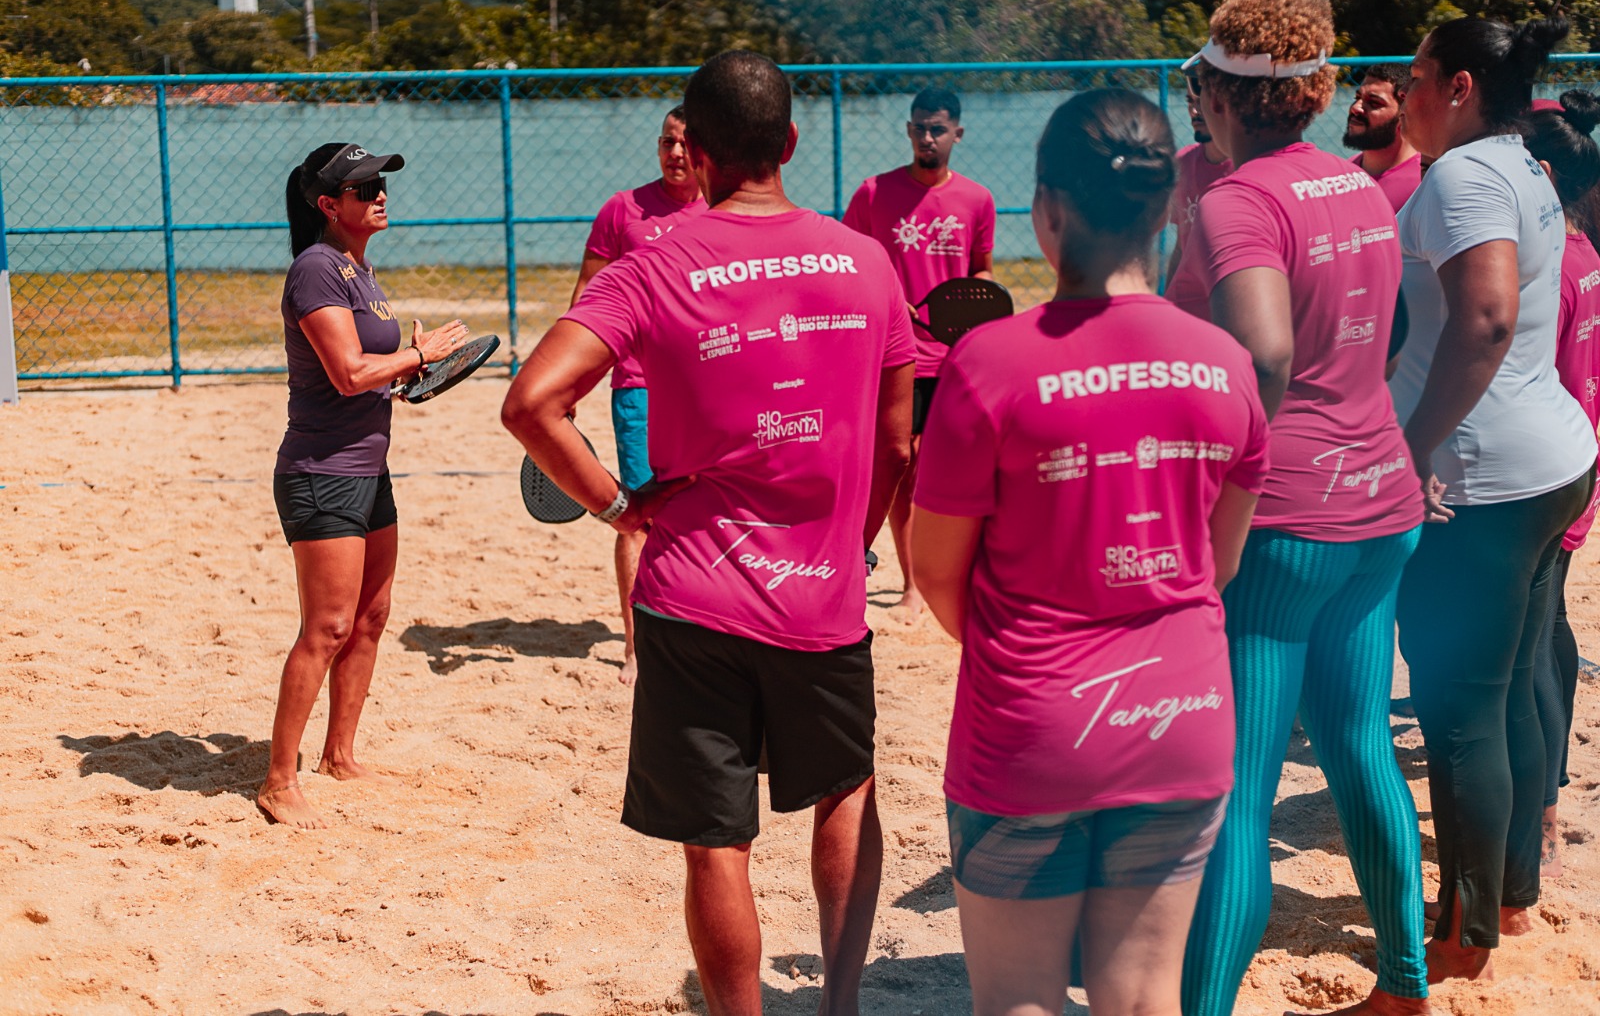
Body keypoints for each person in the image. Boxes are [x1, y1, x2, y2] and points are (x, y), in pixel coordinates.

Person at [501, 51, 914, 1016]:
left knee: (716, 840)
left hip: (693, 592)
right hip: (824, 589)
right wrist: (850, 541)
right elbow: (897, 436)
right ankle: (843, 1003)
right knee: (844, 790)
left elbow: (532, 404)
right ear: (791, 142)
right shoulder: (864, 258)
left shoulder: (655, 265)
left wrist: (616, 504)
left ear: (696, 147)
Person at [912, 88, 1269, 1016]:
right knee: (1145, 997)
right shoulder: (1224, 362)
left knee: (1021, 999)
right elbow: (1218, 563)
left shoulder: (989, 363)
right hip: (1181, 712)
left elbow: (936, 572)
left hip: (1032, 724)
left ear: (1048, 210)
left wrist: (1021, 655)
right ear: (1163, 211)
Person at [1171, 0, 1430, 1016]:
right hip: (1380, 502)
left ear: (1226, 94)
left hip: (1285, 523)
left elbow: (1264, 352)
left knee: (1235, 791)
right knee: (1360, 737)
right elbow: (1397, 325)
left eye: (1198, 80)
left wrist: (1226, 470)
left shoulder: (1240, 198)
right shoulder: (1354, 184)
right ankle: (1404, 979)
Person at [1390, 16, 1597, 983]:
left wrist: (1409, 443)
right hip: (1550, 458)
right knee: (1509, 684)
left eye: (1419, 76)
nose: (1405, 95)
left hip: (1482, 479)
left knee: (1459, 710)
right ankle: (1510, 900)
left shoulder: (1462, 178)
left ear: (1461, 86)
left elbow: (1486, 318)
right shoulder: (1527, 168)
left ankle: (1463, 941)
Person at [259, 142, 471, 829]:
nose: (380, 193)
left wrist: (409, 372)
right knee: (326, 626)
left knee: (371, 619)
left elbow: (366, 374)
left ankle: (339, 755)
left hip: (366, 465)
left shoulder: (357, 268)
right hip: (322, 472)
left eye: (380, 182)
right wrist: (418, 353)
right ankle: (277, 779)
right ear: (329, 204)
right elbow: (349, 373)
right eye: (364, 186)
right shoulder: (317, 269)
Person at [568, 105, 707, 686]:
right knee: (637, 515)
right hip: (639, 386)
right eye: (667, 143)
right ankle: (634, 646)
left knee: (703, 512)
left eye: (685, 143)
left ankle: (699, 631)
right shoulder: (622, 210)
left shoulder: (722, 210)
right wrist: (570, 381)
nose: (675, 154)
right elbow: (588, 296)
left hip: (707, 384)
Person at [843, 86, 994, 615]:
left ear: (957, 133)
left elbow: (981, 268)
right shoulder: (872, 194)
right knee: (899, 463)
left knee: (949, 468)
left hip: (957, 360)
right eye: (917, 128)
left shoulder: (977, 200)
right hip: (895, 354)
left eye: (936, 128)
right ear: (908, 131)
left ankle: (951, 573)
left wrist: (981, 301)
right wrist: (886, 300)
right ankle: (910, 584)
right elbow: (851, 265)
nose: (926, 138)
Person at [1522, 90, 1600, 880]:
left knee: (1536, 646)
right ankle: (1545, 797)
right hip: (1578, 469)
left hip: (1546, 476)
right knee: (1551, 636)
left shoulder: (1555, 275)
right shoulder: (1588, 260)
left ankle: (1542, 809)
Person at [1163, 73, 1232, 290]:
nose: (1194, 111)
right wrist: (1170, 299)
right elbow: (1182, 246)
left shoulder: (1248, 166)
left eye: (1201, 102)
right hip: (1189, 302)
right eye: (1190, 102)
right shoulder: (1182, 163)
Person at [1347, 63, 1423, 212]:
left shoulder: (1424, 181)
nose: (1356, 108)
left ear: (1404, 113)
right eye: (1357, 97)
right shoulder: (1344, 174)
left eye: (1374, 103)